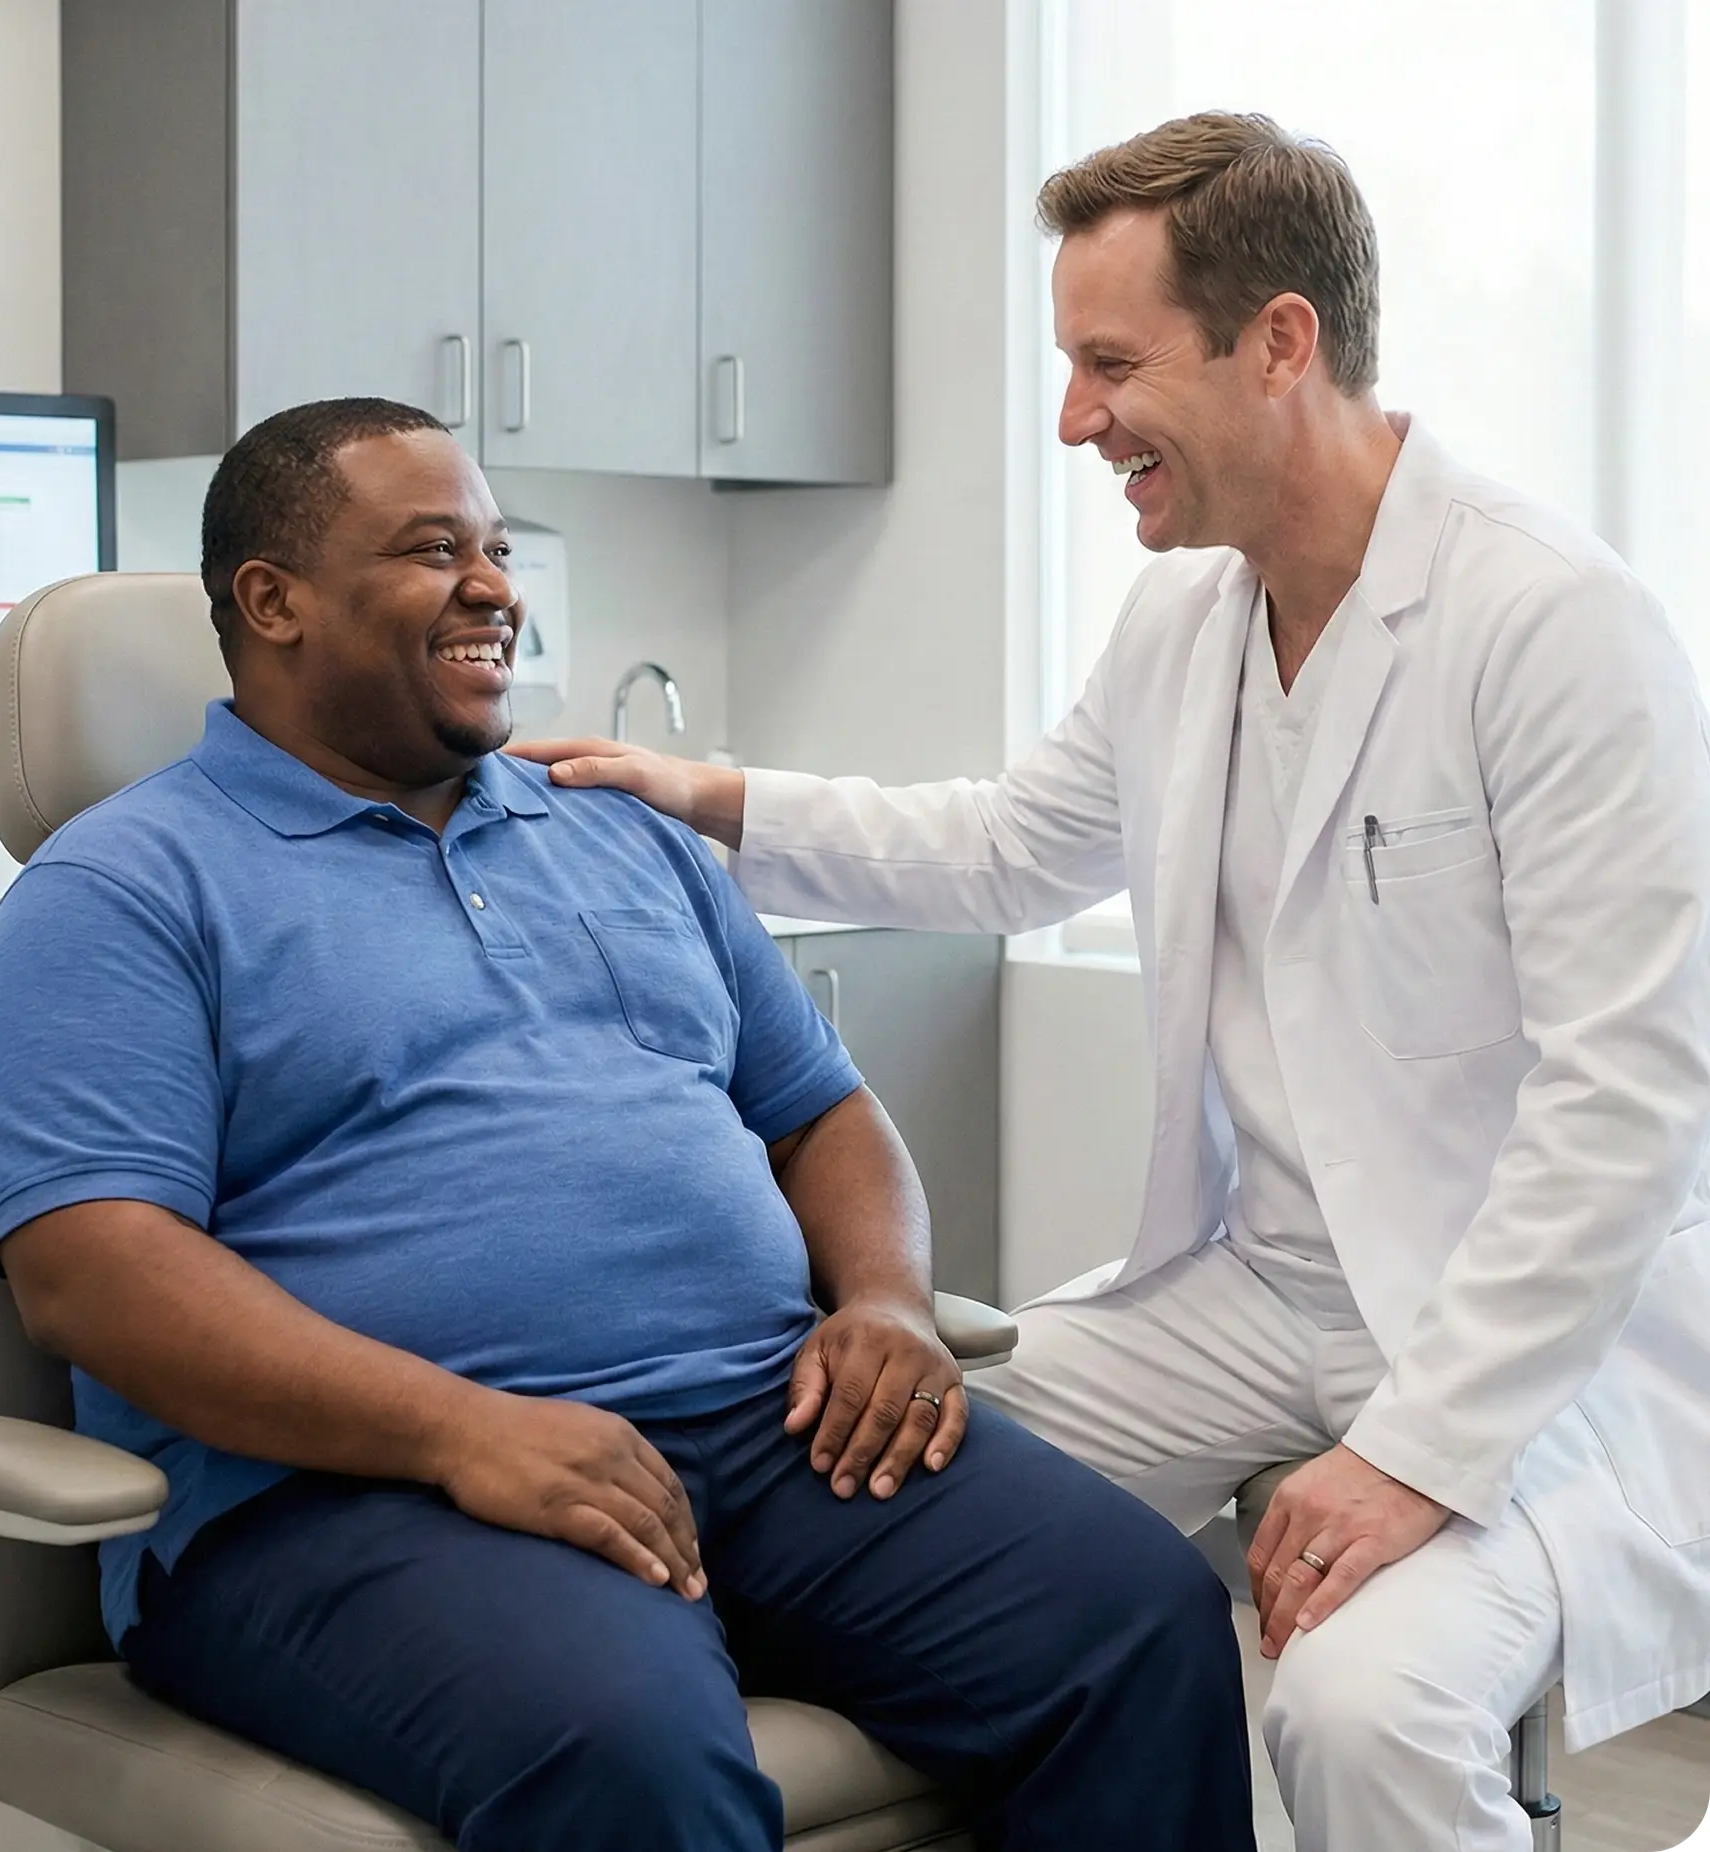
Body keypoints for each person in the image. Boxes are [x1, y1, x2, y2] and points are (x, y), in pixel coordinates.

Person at [516, 113, 1710, 1852]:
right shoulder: (1188, 621)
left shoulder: (1552, 625)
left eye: (1109, 364)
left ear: (1279, 342)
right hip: (1259, 1294)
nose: (1075, 419)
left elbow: (1631, 1103)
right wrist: (710, 804)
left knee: (1363, 1712)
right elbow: (1009, 847)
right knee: (884, 1471)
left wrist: (1418, 1452)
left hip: (1514, 1325)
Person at [0, 398, 1256, 1852]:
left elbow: (823, 1112)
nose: (495, 586)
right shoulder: (122, 891)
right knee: (629, 1753)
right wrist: (463, 1433)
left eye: (496, 546)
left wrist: (884, 1299)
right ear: (274, 604)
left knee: (1142, 1621)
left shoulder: (621, 834)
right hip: (351, 1497)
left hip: (768, 1429)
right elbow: (95, 1272)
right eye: (434, 549)